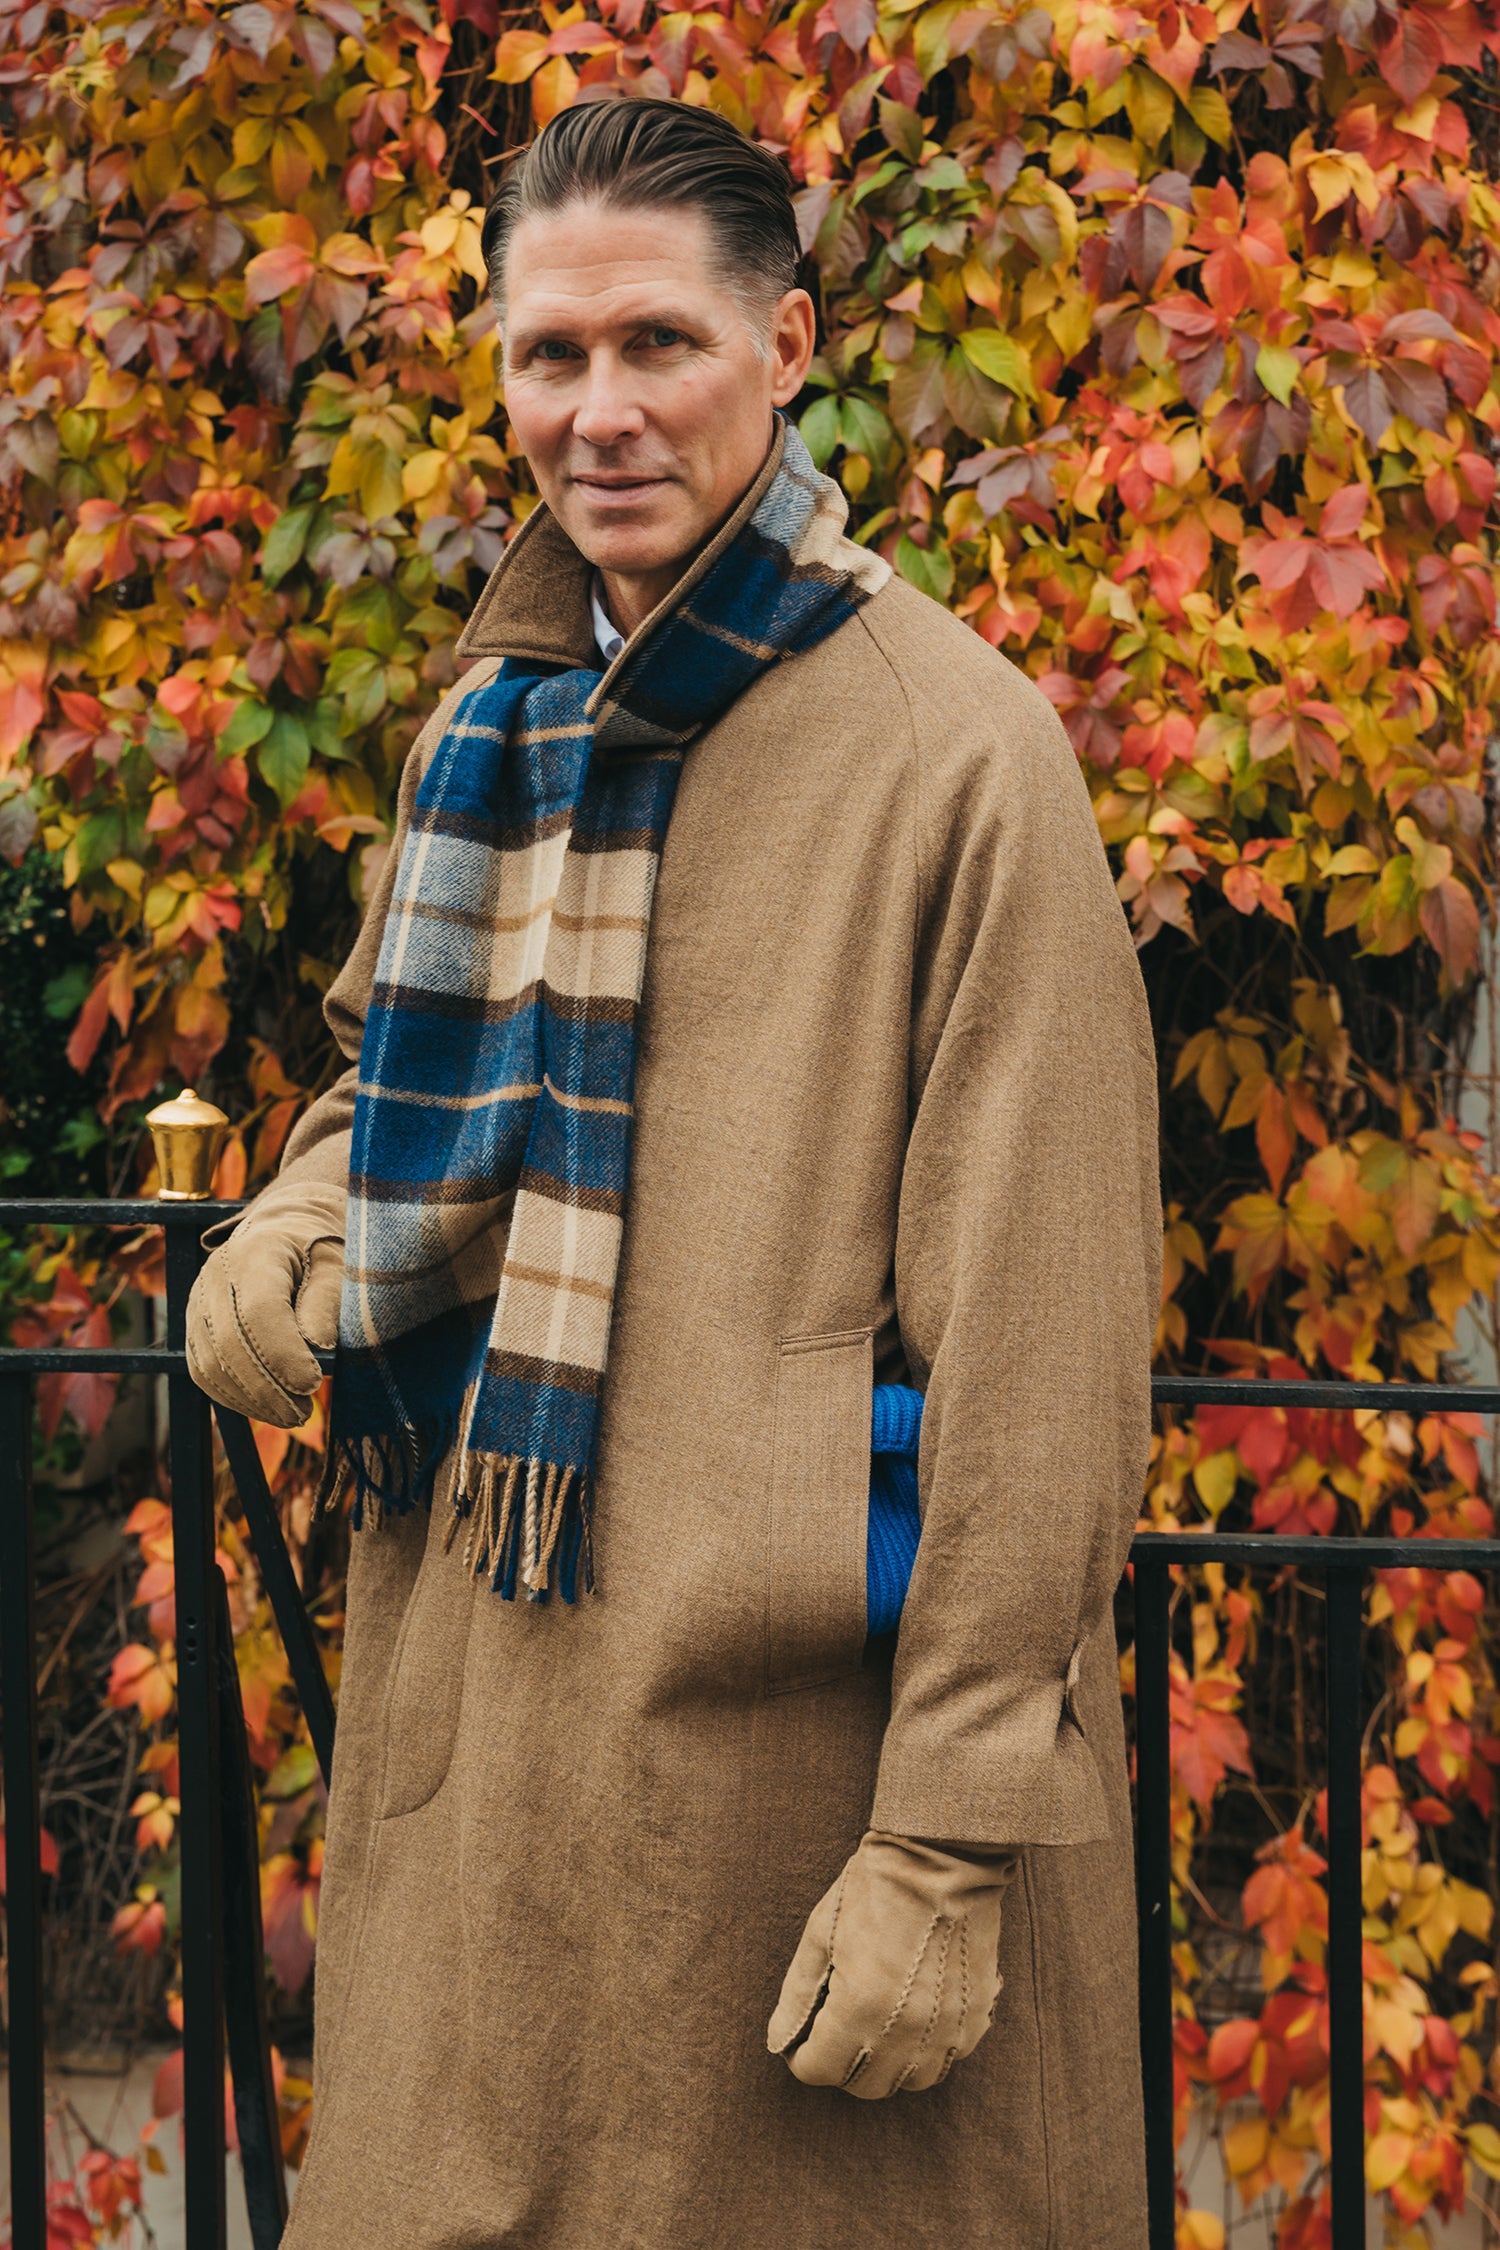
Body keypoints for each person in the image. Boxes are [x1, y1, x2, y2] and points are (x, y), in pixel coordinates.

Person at [186, 95, 1160, 2250]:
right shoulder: (494, 723)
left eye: (659, 344)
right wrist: (299, 1213)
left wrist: (947, 1850)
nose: (598, 410)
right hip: (479, 1751)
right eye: (549, 354)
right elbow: (390, 1091)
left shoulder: (957, 752)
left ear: (786, 345)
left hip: (785, 1811)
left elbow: (1047, 1342)